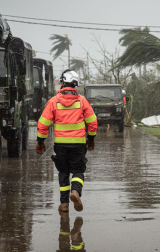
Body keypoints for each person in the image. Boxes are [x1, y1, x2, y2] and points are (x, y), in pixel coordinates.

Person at [36, 69, 97, 213]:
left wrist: (40, 141)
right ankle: (75, 191)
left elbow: (43, 124)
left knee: (63, 172)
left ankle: (64, 204)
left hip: (61, 145)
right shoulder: (82, 101)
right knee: (78, 171)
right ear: (75, 84)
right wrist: (91, 138)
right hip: (78, 144)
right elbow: (93, 122)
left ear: (63, 82)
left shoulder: (53, 101)